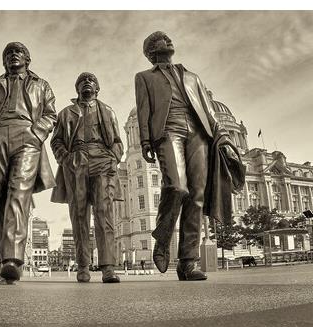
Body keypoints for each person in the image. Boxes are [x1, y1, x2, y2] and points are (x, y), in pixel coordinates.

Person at [135, 31, 239, 281]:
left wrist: (222, 138)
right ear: (151, 51)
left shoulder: (193, 77)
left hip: (198, 133)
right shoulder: (144, 77)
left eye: (169, 38)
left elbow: (209, 111)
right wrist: (146, 139)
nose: (168, 41)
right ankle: (162, 236)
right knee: (177, 186)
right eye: (161, 39)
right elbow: (143, 109)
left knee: (197, 196)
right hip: (168, 129)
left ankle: (188, 263)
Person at [0, 42, 56, 284]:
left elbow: (51, 114)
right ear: (3, 61)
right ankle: (0, 259)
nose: (13, 56)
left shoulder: (42, 85)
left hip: (27, 136)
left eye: (18, 52)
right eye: (8, 53)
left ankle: (13, 260)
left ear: (27, 59)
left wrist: (37, 133)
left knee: (19, 193)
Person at [51, 73, 123, 283]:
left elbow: (117, 141)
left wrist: (114, 158)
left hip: (102, 158)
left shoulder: (107, 111)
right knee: (79, 215)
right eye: (82, 81)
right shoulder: (65, 113)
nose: (87, 83)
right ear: (77, 89)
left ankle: (108, 267)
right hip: (76, 162)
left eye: (91, 80)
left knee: (104, 213)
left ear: (97, 88)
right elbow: (56, 142)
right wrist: (66, 158)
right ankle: (83, 266)